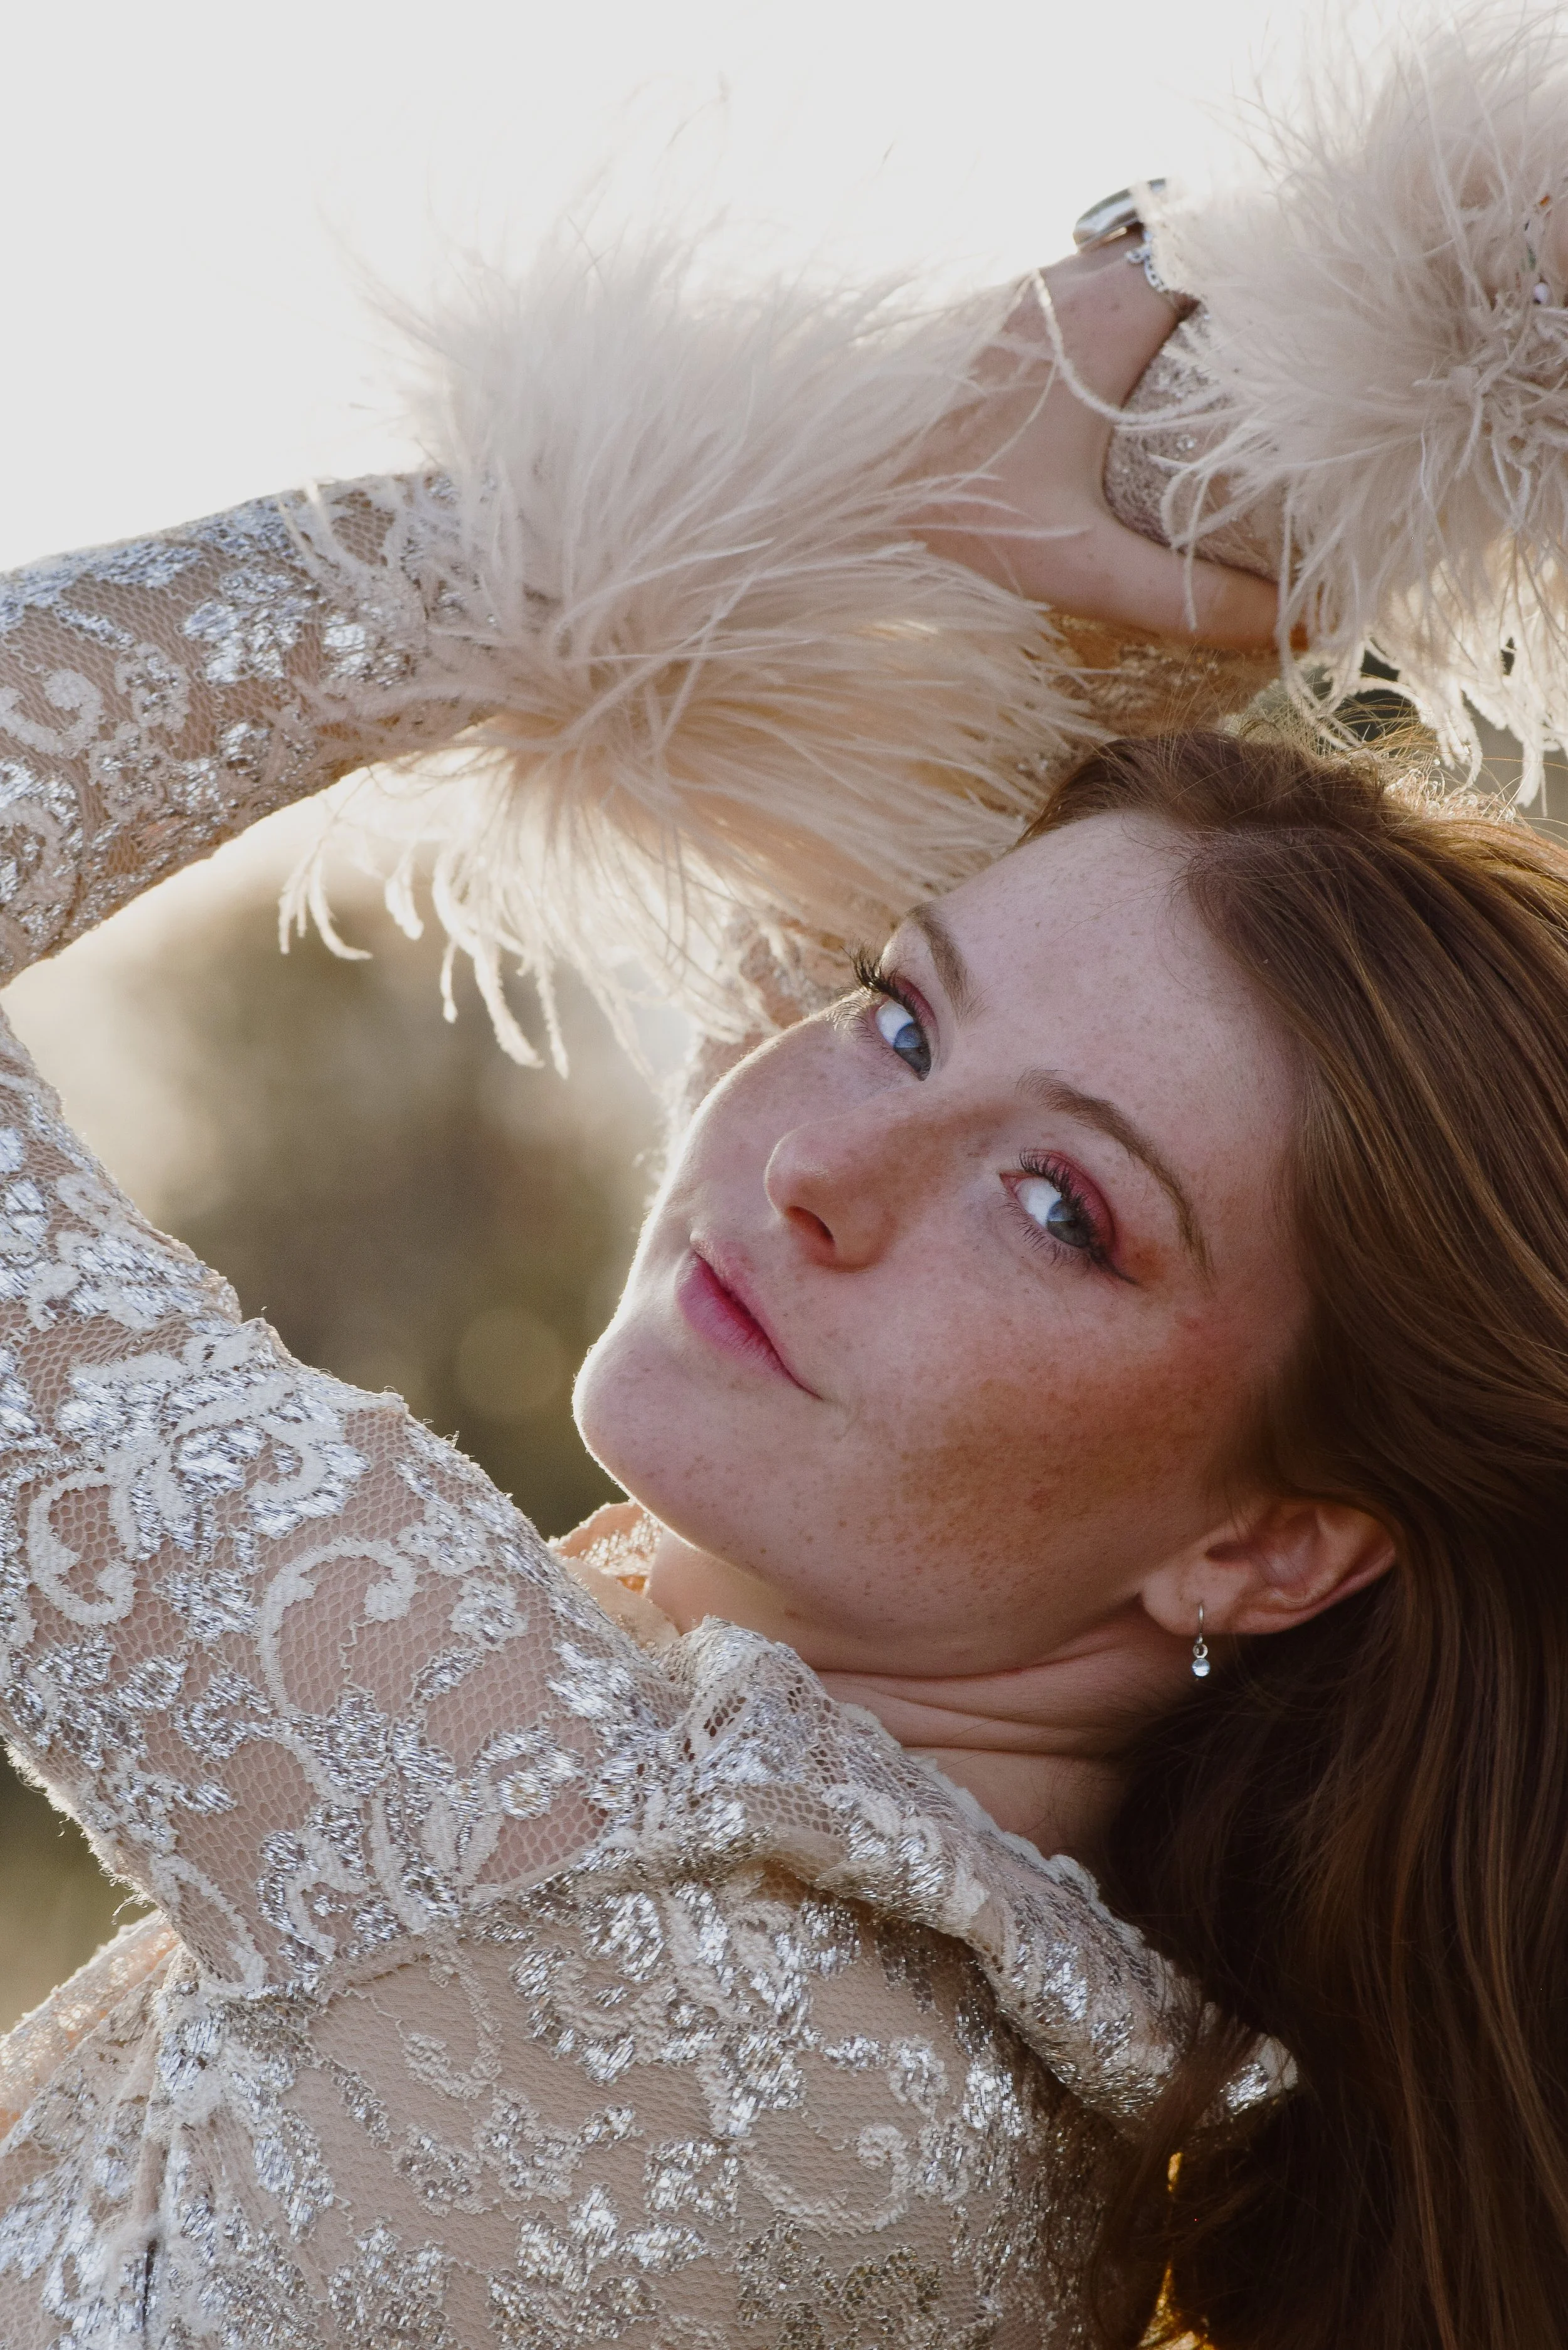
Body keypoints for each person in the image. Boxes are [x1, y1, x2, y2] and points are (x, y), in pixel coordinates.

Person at [0, 19, 1564, 2349]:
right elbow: (918, 924)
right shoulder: (933, 2001)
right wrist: (1185, 426)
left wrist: (564, 541)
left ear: (1264, 1538)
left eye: (1063, 1212)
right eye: (903, 1014)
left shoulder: (570, 1877)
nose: (820, 1162)